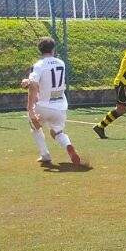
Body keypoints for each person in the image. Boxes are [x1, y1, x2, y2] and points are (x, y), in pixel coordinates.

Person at [20, 36, 81, 167]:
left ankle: (45, 155)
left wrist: (30, 109)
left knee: (35, 126)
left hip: (43, 105)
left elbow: (34, 86)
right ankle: (68, 145)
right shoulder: (61, 63)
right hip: (60, 105)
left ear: (40, 50)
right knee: (57, 132)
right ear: (53, 49)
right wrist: (29, 81)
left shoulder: (38, 65)